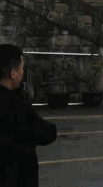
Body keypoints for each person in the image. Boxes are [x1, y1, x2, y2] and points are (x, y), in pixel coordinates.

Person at [0, 44, 57, 187]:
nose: (22, 72)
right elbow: (45, 133)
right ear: (13, 73)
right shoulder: (16, 105)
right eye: (21, 68)